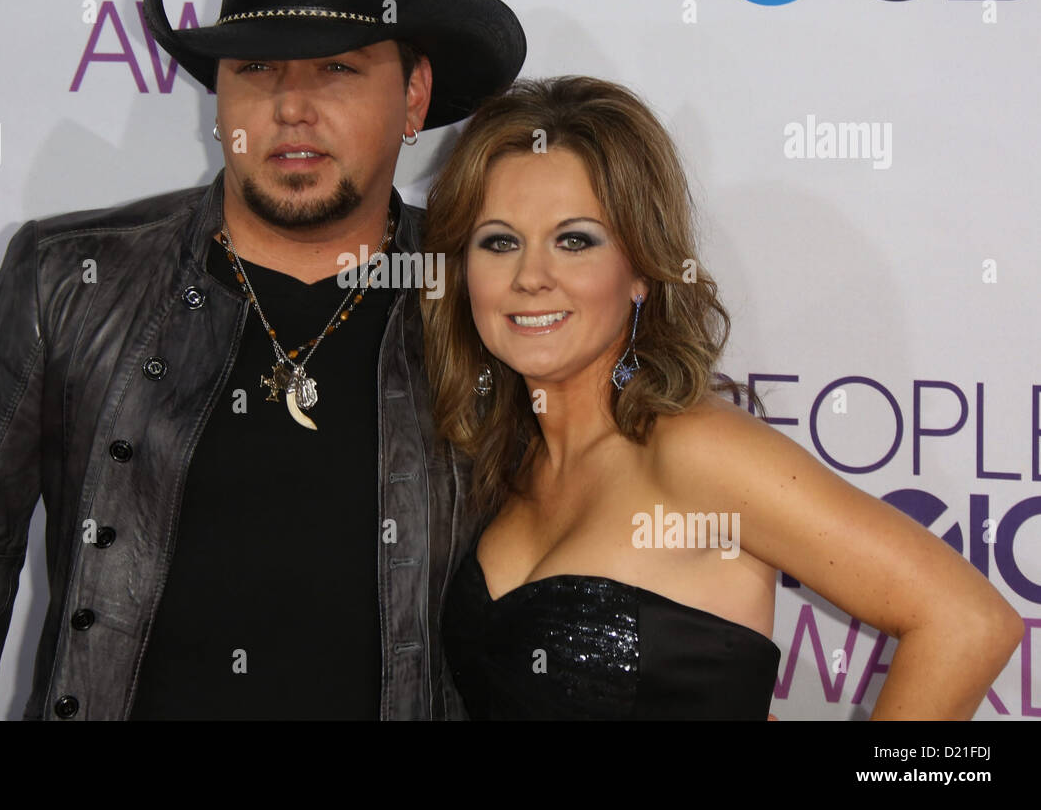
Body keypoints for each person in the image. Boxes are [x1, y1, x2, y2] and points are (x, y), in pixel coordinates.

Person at [0, 0, 525, 720]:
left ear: (414, 95)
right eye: (257, 69)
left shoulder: (485, 298)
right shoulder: (68, 280)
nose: (291, 108)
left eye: (339, 68)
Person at [423, 76, 1023, 719]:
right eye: (499, 241)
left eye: (575, 240)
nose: (530, 277)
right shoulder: (508, 462)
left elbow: (967, 621)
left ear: (642, 274)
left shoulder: (693, 448)